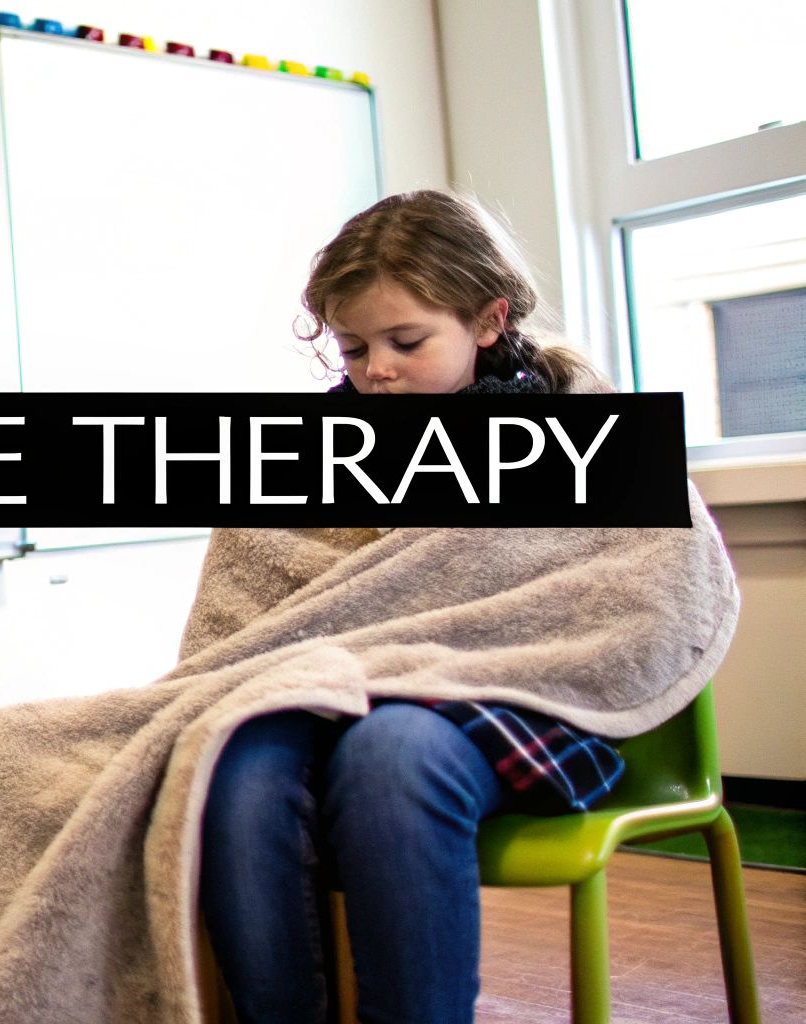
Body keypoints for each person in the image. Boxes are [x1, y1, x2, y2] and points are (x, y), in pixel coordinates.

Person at [198, 190, 623, 1024]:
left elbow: (641, 587)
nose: (377, 371)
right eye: (354, 349)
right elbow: (258, 606)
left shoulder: (581, 428)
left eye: (406, 342)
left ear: (489, 321)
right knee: (232, 758)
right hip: (333, 692)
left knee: (392, 751)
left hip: (516, 697)